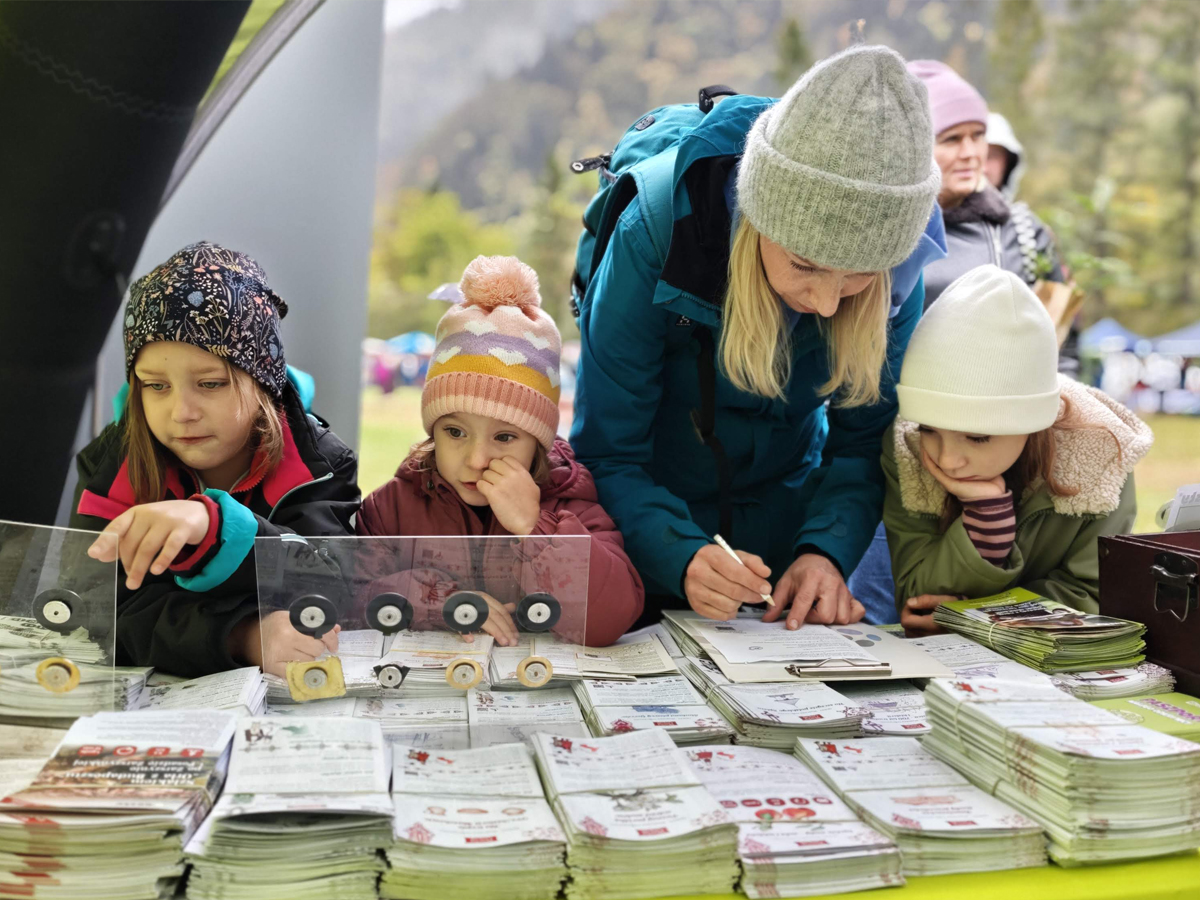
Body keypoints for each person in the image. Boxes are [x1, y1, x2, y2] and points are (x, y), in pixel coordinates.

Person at [569, 44, 946, 630]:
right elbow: (609, 451)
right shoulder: (655, 232)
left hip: (786, 541)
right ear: (757, 217)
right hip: (650, 532)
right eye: (806, 264)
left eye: (857, 277)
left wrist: (825, 551)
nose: (825, 301)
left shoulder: (899, 273)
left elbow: (863, 447)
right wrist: (678, 553)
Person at [848, 61, 1080, 621]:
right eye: (951, 139)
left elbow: (1059, 324)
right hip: (901, 438)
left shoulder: (1022, 231)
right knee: (889, 598)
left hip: (998, 435)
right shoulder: (882, 233)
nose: (972, 151)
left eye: (979, 136)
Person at [70, 242, 360, 677]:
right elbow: (95, 613)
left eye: (209, 384)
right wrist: (243, 635)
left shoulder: (319, 464)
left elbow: (334, 581)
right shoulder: (111, 468)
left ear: (263, 381)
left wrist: (219, 528)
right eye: (155, 386)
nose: (182, 412)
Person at [357, 255, 644, 646]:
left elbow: (611, 619)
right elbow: (352, 598)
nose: (477, 460)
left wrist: (535, 528)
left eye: (505, 438)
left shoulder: (567, 505)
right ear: (432, 431)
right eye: (455, 431)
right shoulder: (392, 509)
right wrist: (442, 601)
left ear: (538, 444)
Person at [880, 265, 1152, 636]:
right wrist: (983, 517)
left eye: (977, 437)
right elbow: (916, 598)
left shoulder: (1104, 456)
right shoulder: (907, 446)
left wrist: (981, 617)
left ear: (1033, 422)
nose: (946, 460)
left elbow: (1092, 597)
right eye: (930, 429)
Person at [984, 111, 1026, 202]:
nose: (984, 168)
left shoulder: (1019, 216)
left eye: (992, 157)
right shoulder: (945, 214)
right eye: (977, 156)